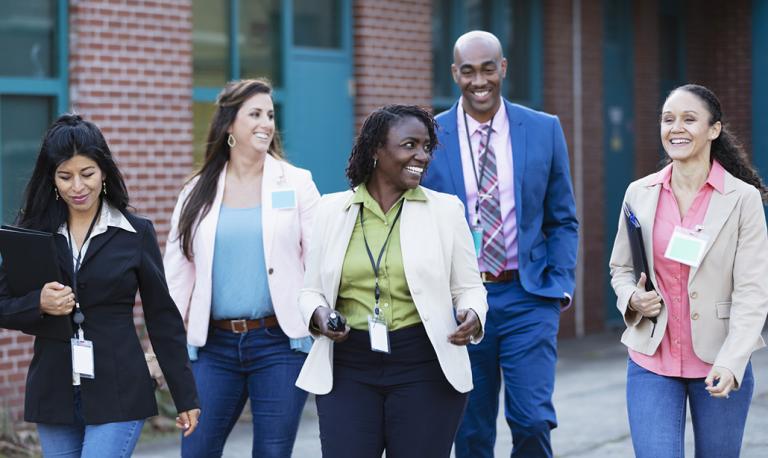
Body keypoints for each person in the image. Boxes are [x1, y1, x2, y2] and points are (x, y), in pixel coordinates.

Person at [0, 114, 200, 457]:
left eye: (87, 174)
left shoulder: (135, 234)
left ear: (104, 171)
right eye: (65, 176)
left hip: (119, 389)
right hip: (54, 393)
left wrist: (185, 396)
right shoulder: (33, 232)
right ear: (51, 179)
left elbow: (162, 317)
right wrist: (39, 303)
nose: (77, 187)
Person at [295, 104, 488, 457]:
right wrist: (320, 316)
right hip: (349, 366)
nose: (422, 156)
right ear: (375, 150)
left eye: (427, 147)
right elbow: (311, 292)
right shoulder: (331, 211)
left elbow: (469, 287)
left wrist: (472, 314)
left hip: (424, 364)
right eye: (409, 145)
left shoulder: (446, 211)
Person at [421, 30, 578, 457]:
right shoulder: (430, 138)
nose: (479, 81)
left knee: (531, 420)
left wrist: (560, 284)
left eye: (488, 68)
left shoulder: (544, 130)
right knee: (470, 430)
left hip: (528, 295)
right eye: (468, 71)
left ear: (503, 67)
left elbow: (562, 217)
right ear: (455, 73)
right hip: (461, 302)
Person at [163, 78, 321, 458]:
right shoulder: (196, 191)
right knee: (196, 449)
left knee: (271, 452)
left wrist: (322, 321)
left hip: (280, 343)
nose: (266, 122)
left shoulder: (297, 183)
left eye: (270, 114)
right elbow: (177, 275)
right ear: (229, 124)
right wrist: (163, 346)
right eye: (254, 114)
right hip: (213, 346)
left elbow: (320, 260)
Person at [609, 83, 768, 457]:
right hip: (652, 358)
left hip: (719, 361)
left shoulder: (742, 199)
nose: (675, 128)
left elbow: (753, 290)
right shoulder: (639, 193)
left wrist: (733, 362)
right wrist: (633, 298)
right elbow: (621, 268)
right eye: (668, 119)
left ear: (714, 129)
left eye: (689, 119)